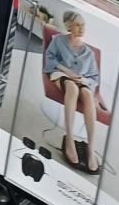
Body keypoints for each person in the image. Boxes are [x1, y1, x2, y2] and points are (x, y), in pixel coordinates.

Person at [43, 12, 104, 172]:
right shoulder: (58, 41)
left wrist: (83, 80)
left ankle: (91, 148)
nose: (81, 28)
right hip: (61, 74)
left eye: (83, 25)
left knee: (87, 94)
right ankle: (69, 138)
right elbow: (50, 58)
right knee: (71, 87)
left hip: (81, 80)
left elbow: (94, 78)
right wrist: (67, 72)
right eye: (77, 24)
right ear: (69, 26)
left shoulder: (88, 52)